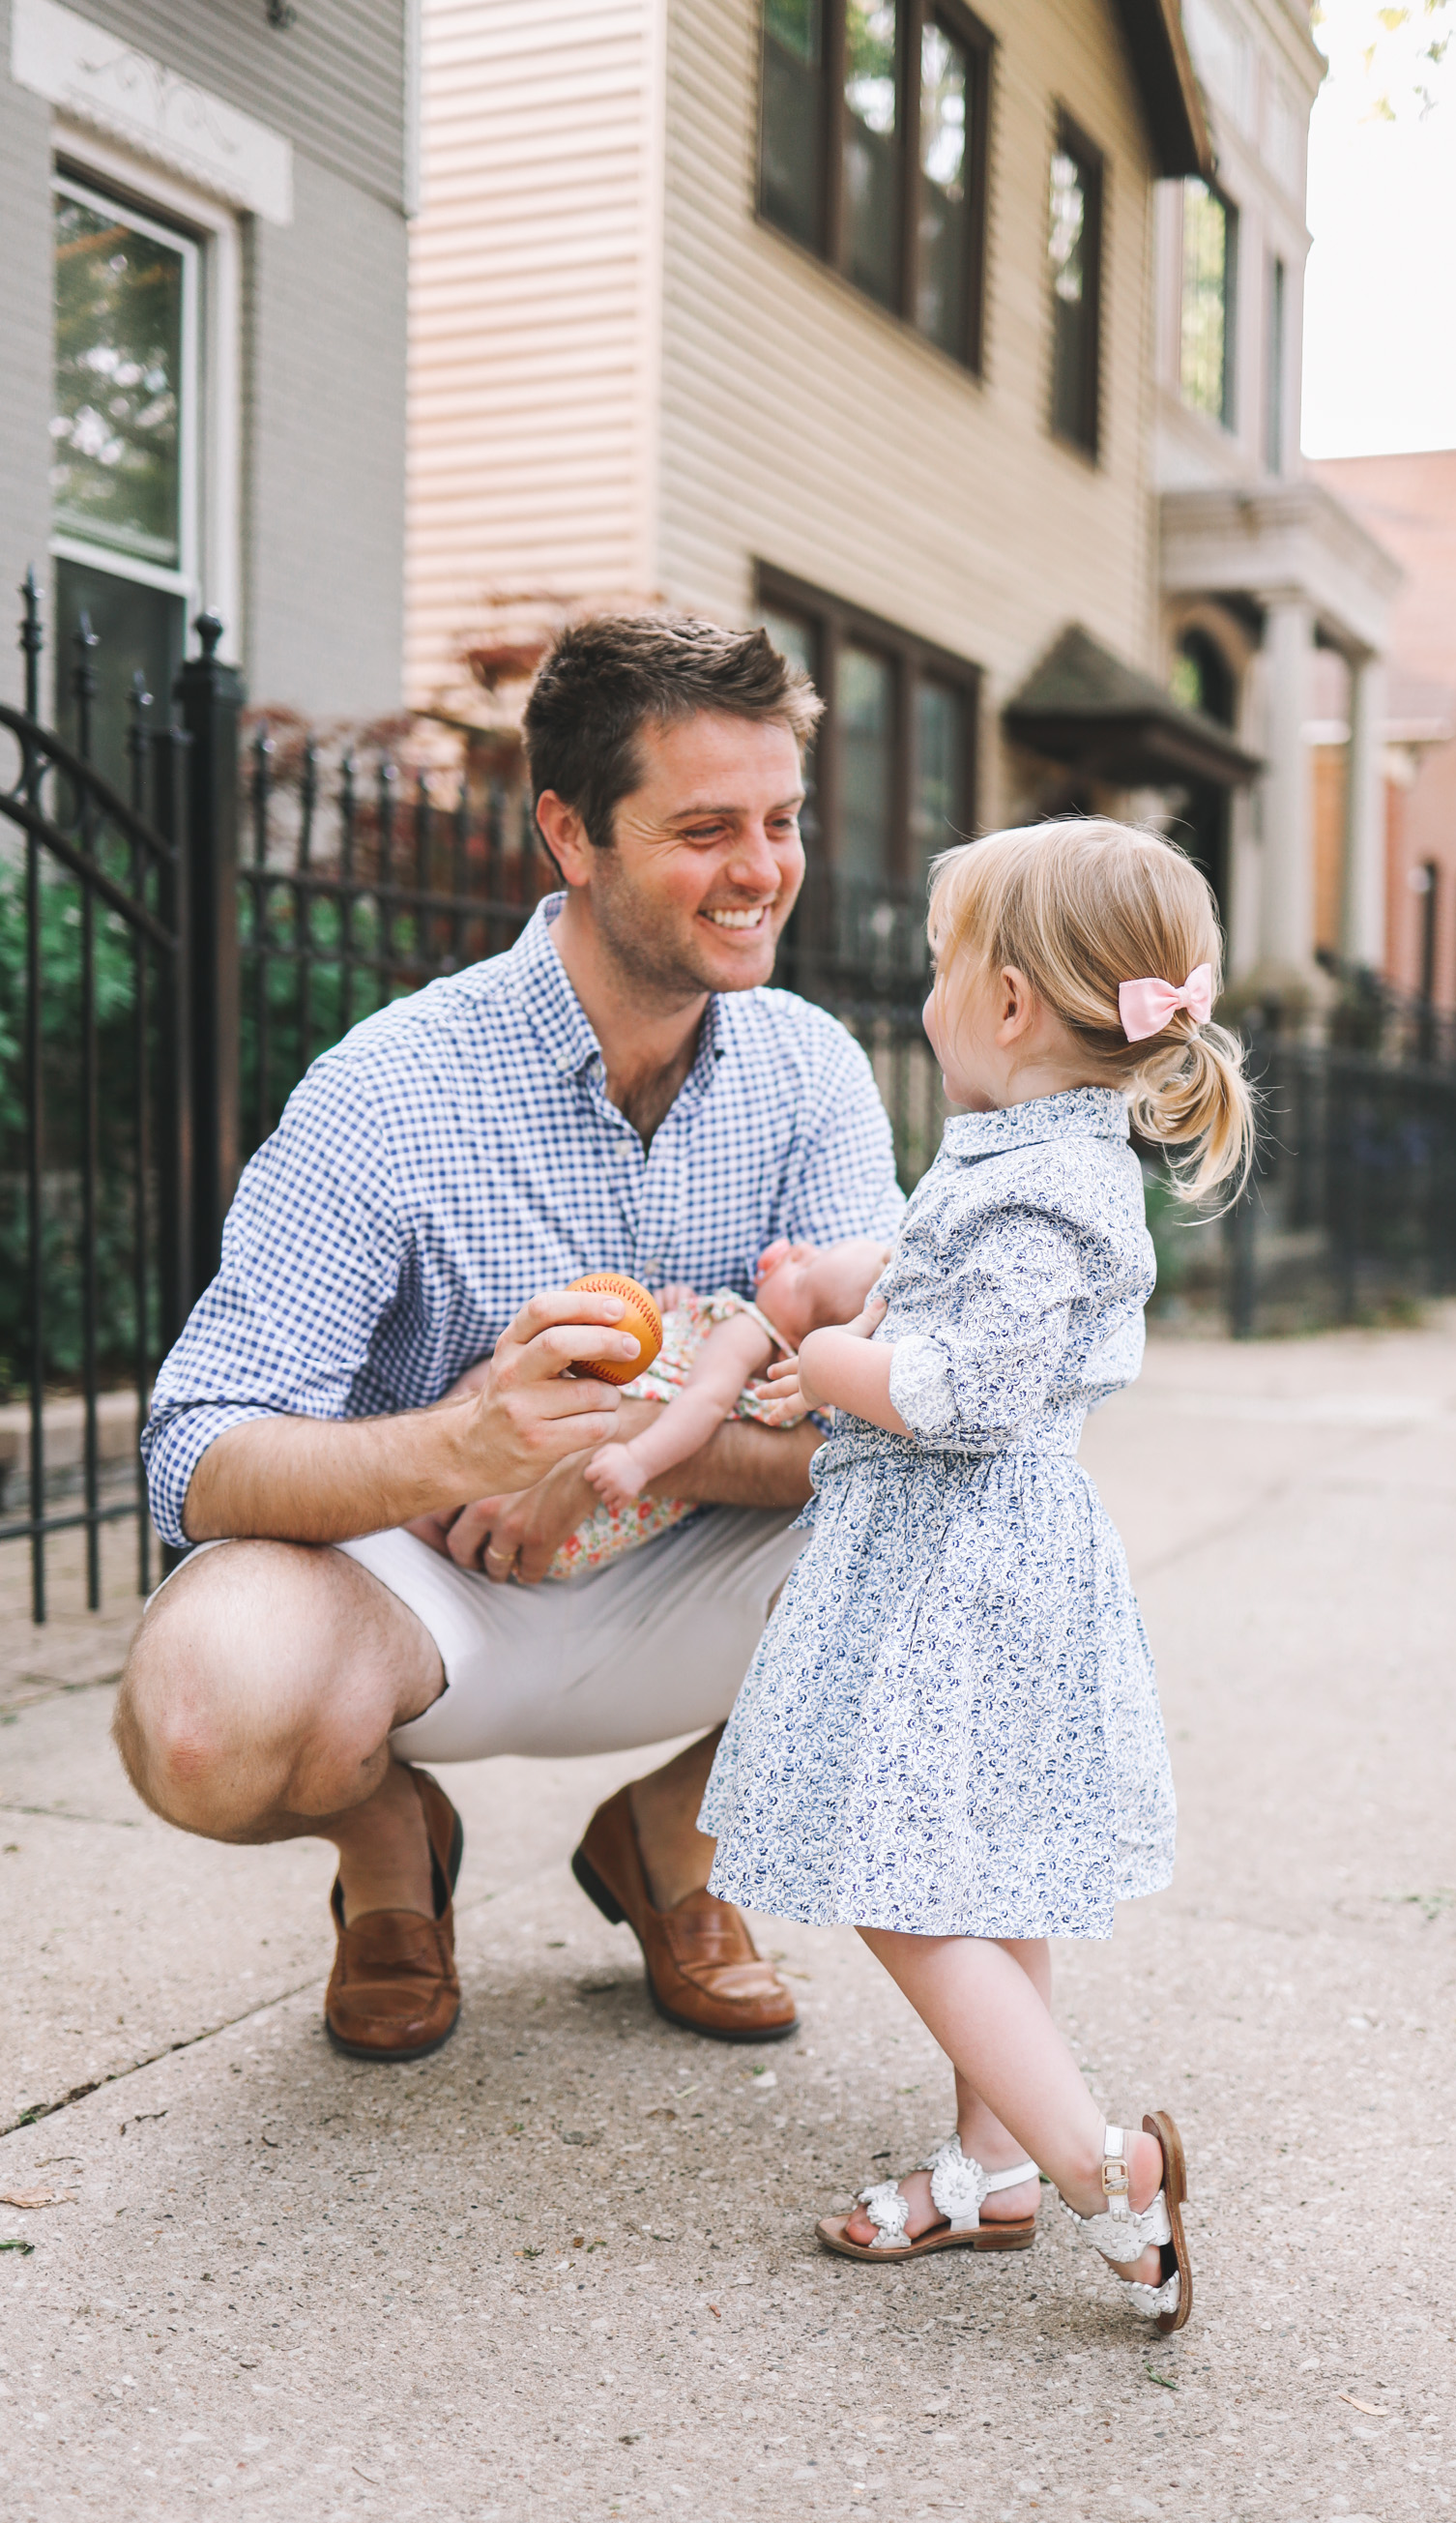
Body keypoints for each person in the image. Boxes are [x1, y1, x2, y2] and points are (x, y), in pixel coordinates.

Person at [115, 615, 903, 2063]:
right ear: (570, 832)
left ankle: (674, 1839)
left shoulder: (812, 1073)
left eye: (781, 820)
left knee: (1005, 1524)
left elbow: (908, 1413)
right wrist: (461, 1447)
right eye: (707, 827)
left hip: (708, 1575)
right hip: (431, 1599)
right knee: (200, 1720)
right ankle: (389, 1850)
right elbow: (197, 1456)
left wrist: (621, 1453)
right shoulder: (391, 1088)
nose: (762, 870)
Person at [697, 817, 1253, 2333]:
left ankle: (1102, 2172)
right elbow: (954, 1288)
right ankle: (990, 2168)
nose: (926, 996)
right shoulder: (1030, 1160)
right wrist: (848, 1282)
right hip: (982, 1564)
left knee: (901, 1879)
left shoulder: (1046, 1186)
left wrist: (827, 1360)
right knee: (988, 1864)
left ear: (1007, 1005)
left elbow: (969, 1388)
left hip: (963, 1567)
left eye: (944, 969)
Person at [568, 1237, 893, 1564]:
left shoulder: (749, 1329)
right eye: (816, 1251)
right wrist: (674, 1309)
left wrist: (637, 1460)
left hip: (606, 1480)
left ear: (801, 1342)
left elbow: (705, 1399)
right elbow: (684, 1354)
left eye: (802, 1274)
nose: (799, 1250)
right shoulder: (745, 1328)